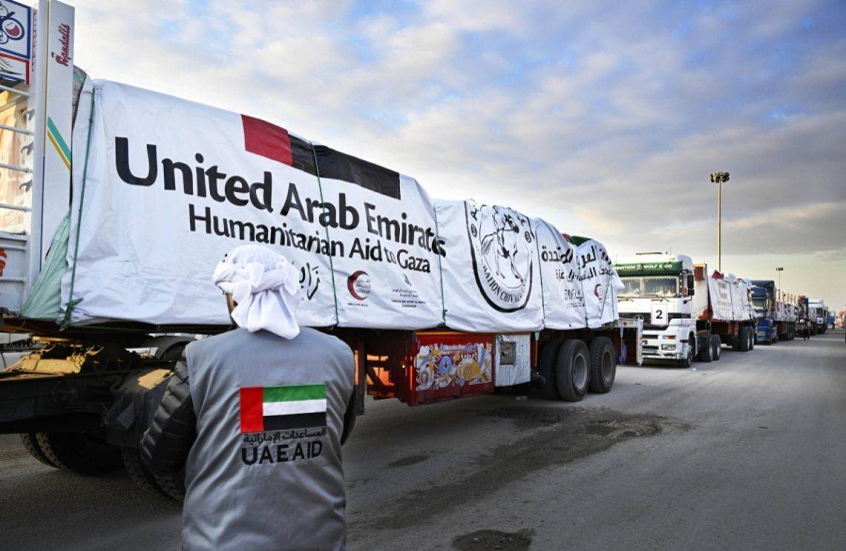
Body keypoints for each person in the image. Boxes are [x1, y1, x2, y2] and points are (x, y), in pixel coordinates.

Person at [140, 245, 356, 551]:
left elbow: (159, 456)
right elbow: (336, 435)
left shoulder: (202, 358)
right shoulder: (338, 354)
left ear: (234, 297)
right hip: (323, 539)